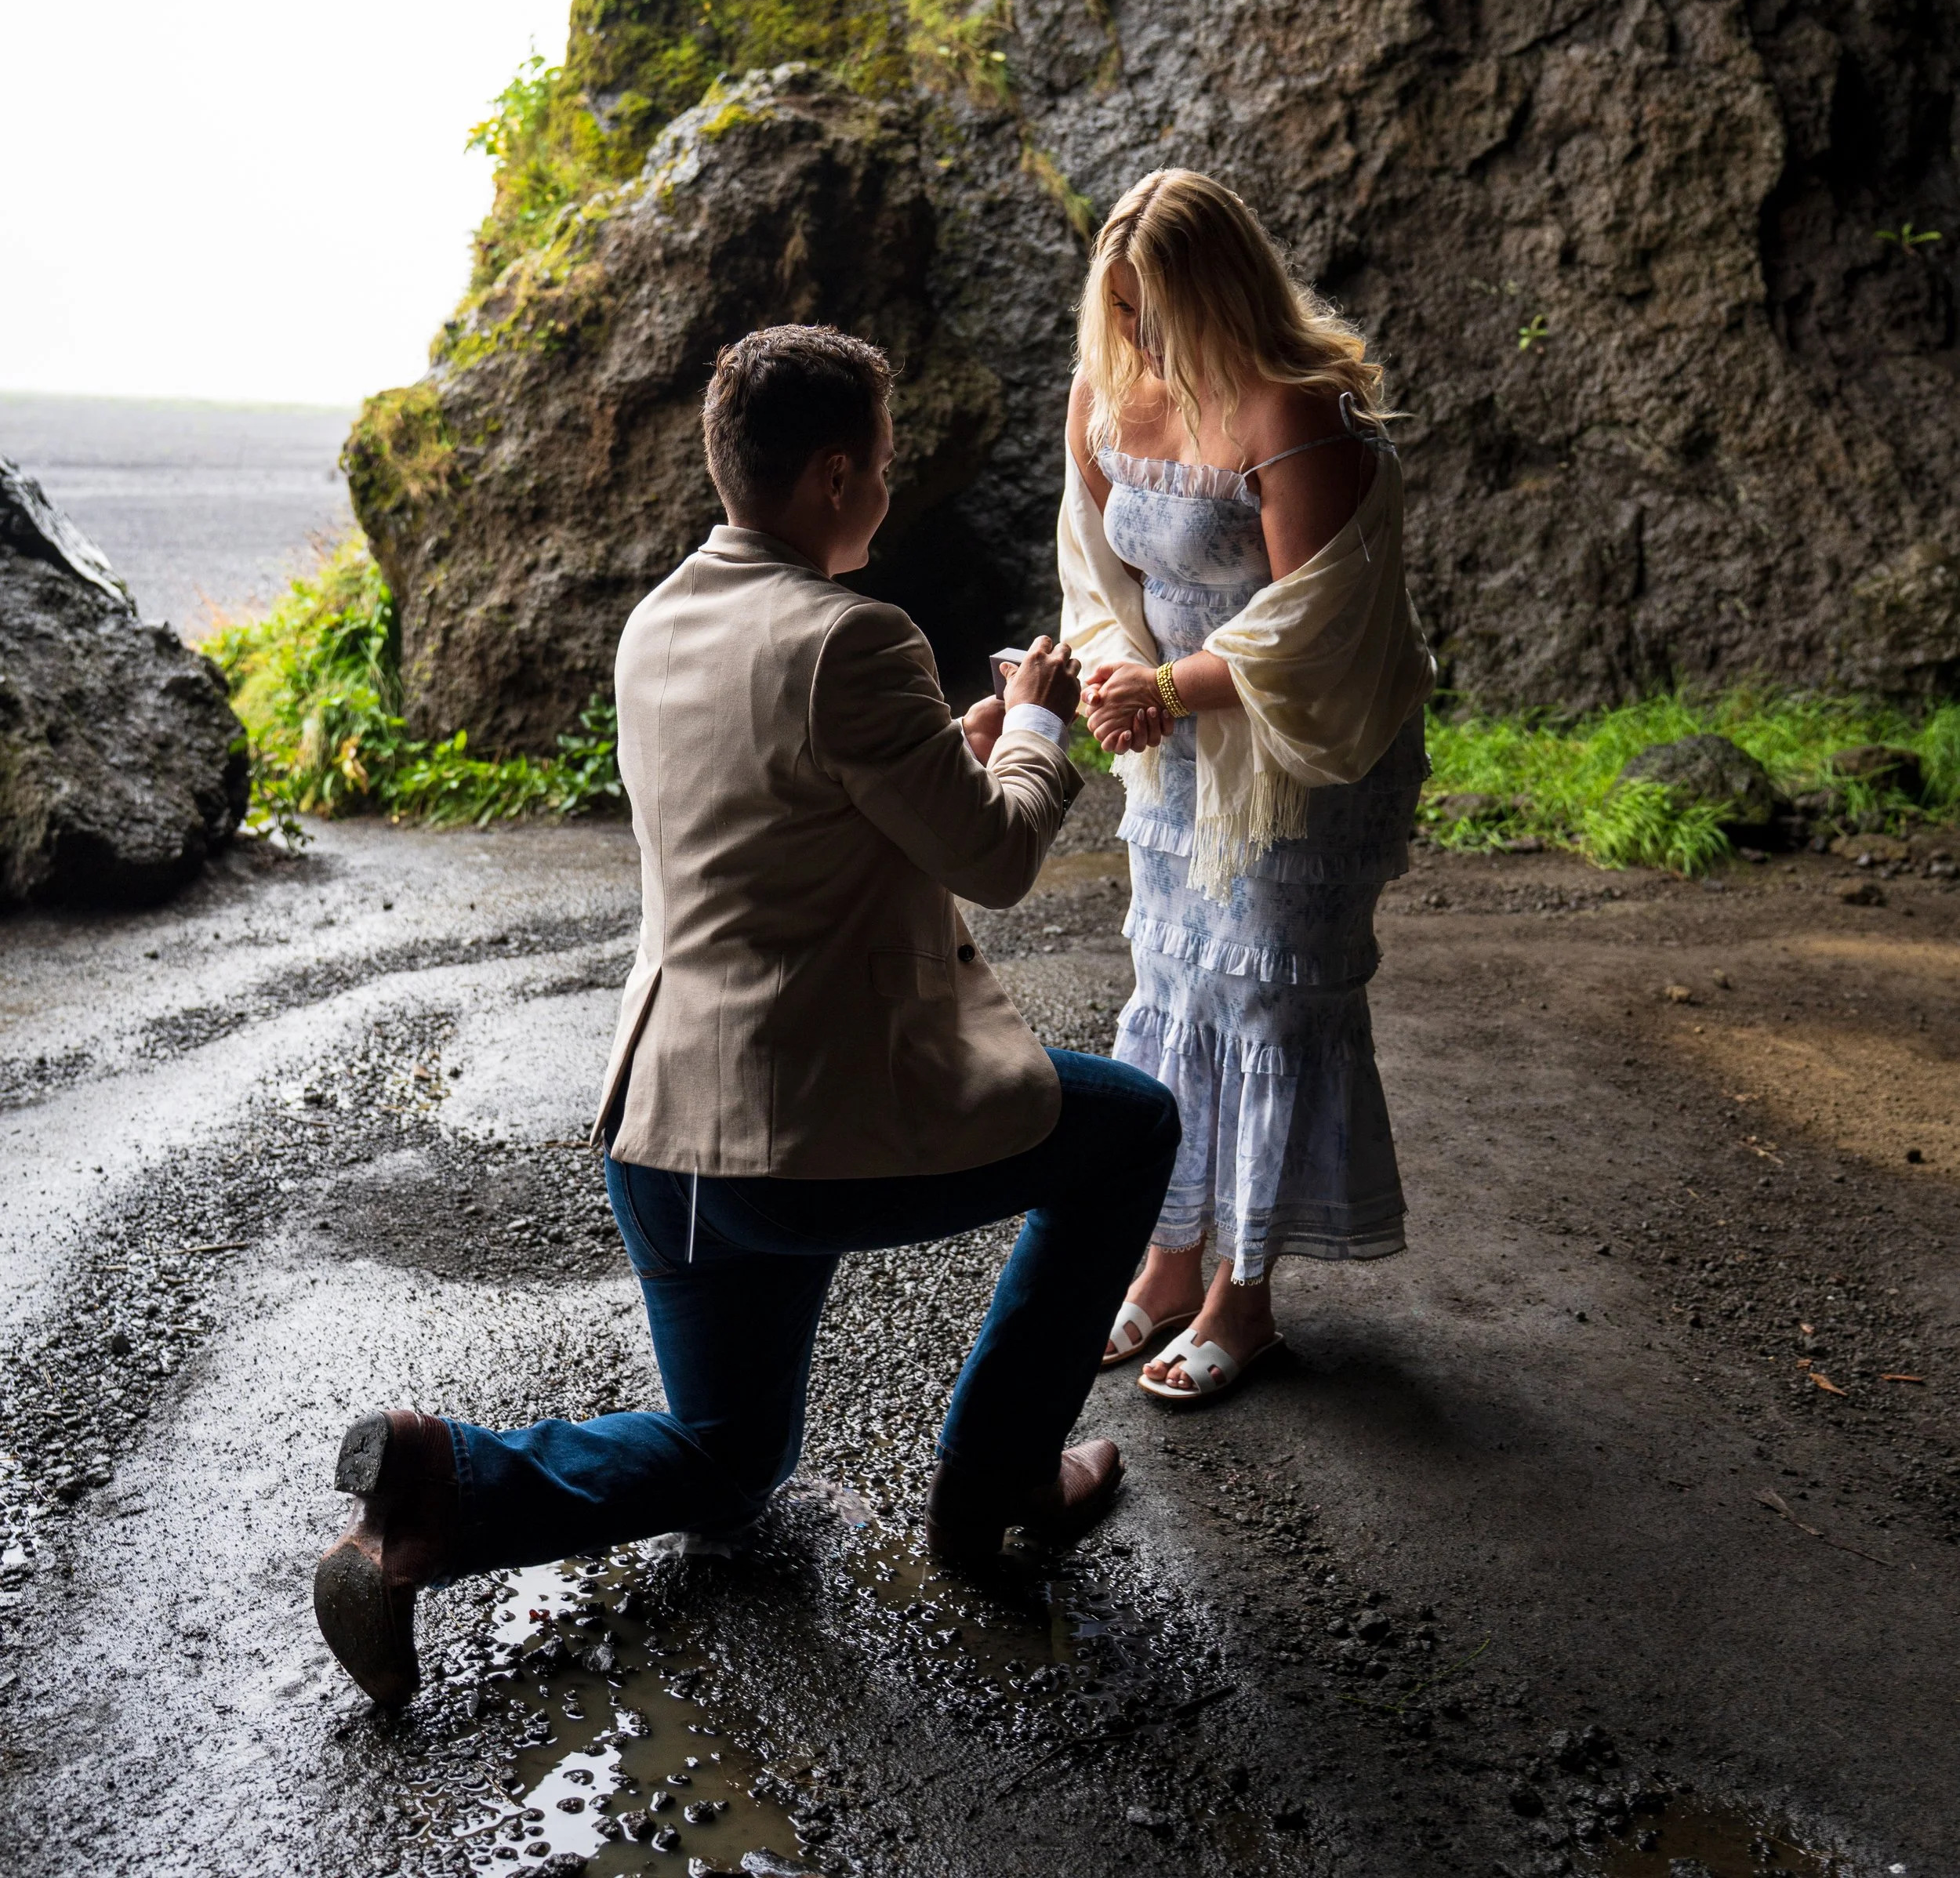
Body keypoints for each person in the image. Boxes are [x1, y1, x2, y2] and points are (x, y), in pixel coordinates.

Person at [313, 324, 1178, 1706]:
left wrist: (944, 751)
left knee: (728, 1457)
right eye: (884, 472)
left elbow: (787, 815)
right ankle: (998, 1477)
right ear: (835, 476)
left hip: (661, 1131)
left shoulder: (660, 621)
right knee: (1132, 1129)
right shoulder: (855, 636)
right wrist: (1033, 723)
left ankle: (430, 1492)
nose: (889, 497)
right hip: (798, 1139)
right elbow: (1002, 861)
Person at [1058, 169, 1435, 1403]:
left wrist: (1163, 692)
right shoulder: (1109, 396)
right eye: (1122, 311)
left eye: (1158, 312)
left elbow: (1315, 629)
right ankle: (1167, 1268)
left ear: (1219, 293)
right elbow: (1093, 580)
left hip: (1297, 761)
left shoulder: (1297, 407)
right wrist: (1118, 676)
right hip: (1174, 747)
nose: (1140, 339)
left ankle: (1243, 1299)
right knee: (1173, 991)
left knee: (1267, 1005)